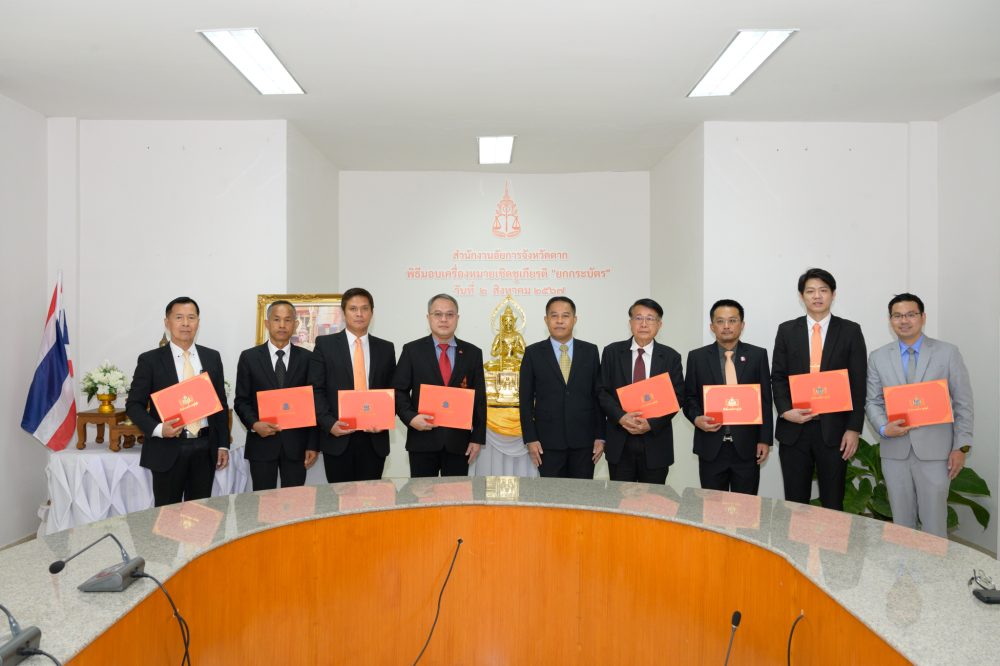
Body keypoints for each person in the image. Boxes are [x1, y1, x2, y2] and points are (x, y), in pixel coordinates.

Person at [865, 293, 974, 537]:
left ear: (922, 317)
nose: (904, 321)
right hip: (895, 452)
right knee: (902, 524)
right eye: (897, 316)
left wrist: (961, 447)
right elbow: (872, 401)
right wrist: (883, 428)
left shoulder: (947, 353)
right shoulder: (878, 357)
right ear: (890, 320)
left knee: (934, 523)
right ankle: (905, 564)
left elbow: (963, 403)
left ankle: (935, 564)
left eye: (911, 314)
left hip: (937, 453)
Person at [771, 268, 867, 510]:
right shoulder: (786, 330)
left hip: (835, 430)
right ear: (801, 296)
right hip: (795, 428)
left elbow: (858, 383)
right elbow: (778, 376)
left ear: (833, 294)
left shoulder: (850, 331)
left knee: (833, 502)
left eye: (823, 290)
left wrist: (854, 428)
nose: (817, 296)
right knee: (795, 502)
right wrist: (785, 411)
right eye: (810, 291)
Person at [126, 297, 229, 507]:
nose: (185, 323)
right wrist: (158, 429)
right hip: (167, 447)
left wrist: (223, 445)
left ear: (198, 322)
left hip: (205, 447)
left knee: (201, 513)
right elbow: (133, 405)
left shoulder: (212, 357)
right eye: (179, 317)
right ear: (167, 322)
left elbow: (220, 403)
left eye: (191, 317)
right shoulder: (150, 360)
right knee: (167, 515)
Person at [683, 299, 773, 494]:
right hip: (711, 447)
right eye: (720, 321)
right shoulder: (697, 357)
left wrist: (764, 439)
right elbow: (689, 397)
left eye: (732, 320)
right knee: (712, 506)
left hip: (747, 447)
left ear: (742, 324)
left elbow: (765, 400)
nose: (726, 326)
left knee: (746, 507)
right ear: (712, 326)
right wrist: (697, 418)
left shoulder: (757, 355)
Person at [309, 288, 397, 482]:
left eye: (365, 308)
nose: (359, 314)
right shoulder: (325, 345)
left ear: (372, 313)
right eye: (353, 309)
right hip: (337, 436)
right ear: (344, 313)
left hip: (374, 438)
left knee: (371, 497)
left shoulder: (386, 348)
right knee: (340, 497)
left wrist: (384, 420)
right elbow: (315, 389)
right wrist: (329, 423)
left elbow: (393, 390)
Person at [394, 294, 487, 477]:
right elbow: (398, 391)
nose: (444, 319)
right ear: (428, 317)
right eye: (438, 314)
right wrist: (411, 418)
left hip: (459, 443)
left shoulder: (473, 353)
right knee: (421, 493)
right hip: (422, 440)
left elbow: (479, 400)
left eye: (450, 314)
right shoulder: (412, 350)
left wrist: (477, 438)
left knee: (455, 493)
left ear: (457, 318)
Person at [598, 298, 684, 484]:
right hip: (620, 440)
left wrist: (651, 424)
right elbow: (602, 391)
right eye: (638, 318)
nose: (644, 324)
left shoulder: (671, 357)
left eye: (650, 319)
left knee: (654, 499)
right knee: (619, 498)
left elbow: (678, 397)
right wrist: (621, 417)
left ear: (659, 324)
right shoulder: (612, 352)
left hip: (656, 442)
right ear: (630, 322)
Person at [234, 300, 317, 490]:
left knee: (295, 501)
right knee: (263, 502)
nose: (282, 325)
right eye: (276, 319)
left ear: (295, 324)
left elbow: (314, 403)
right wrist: (254, 424)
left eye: (288, 320)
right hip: (262, 444)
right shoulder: (249, 357)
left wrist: (313, 444)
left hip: (297, 445)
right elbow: (241, 401)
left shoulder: (308, 358)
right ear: (267, 323)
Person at [519, 296, 605, 478]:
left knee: (582, 493)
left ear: (574, 319)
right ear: (546, 320)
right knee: (551, 493)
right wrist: (530, 439)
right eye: (554, 316)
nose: (559, 321)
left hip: (584, 442)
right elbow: (525, 400)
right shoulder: (533, 353)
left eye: (565, 316)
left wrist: (600, 436)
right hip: (547, 442)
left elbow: (597, 397)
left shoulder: (590, 351)